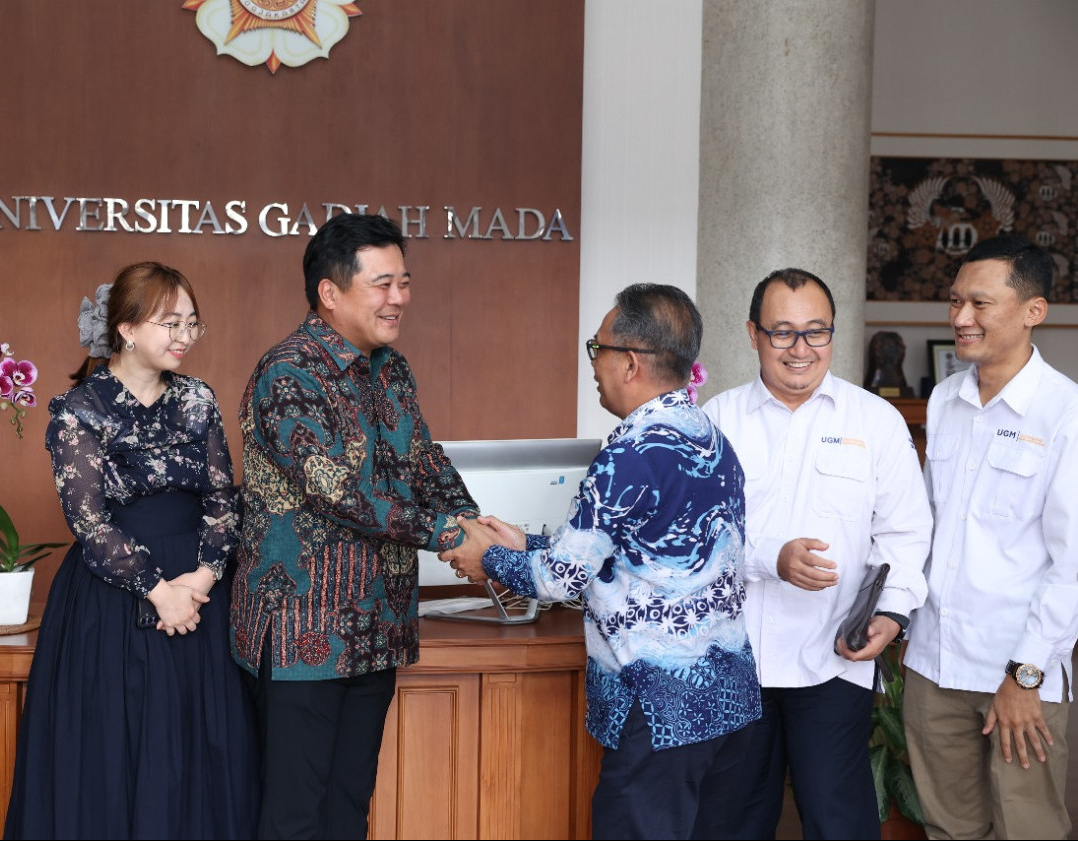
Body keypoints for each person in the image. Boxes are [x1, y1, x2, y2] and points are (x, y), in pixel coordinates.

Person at [441, 283, 761, 840]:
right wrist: (526, 545)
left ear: (631, 362)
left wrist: (487, 557)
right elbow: (635, 556)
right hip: (720, 698)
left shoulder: (630, 454)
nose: (593, 363)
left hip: (658, 704)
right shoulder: (711, 438)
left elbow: (560, 580)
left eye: (598, 348)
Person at [231, 212, 478, 840]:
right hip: (301, 634)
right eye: (382, 284)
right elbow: (342, 493)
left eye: (404, 281)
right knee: (294, 816)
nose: (399, 298)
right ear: (331, 293)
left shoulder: (391, 368)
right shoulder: (289, 374)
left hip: (377, 626)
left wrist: (476, 524)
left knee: (347, 808)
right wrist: (451, 538)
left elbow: (424, 460)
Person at [3, 262, 260, 839]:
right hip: (115, 599)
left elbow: (223, 496)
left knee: (201, 748)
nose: (184, 337)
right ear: (125, 327)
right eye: (170, 323)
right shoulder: (79, 409)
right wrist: (159, 591)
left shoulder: (198, 399)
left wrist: (202, 579)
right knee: (114, 750)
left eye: (192, 324)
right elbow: (89, 521)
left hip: (200, 597)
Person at [701, 268, 931, 839]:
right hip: (735, 659)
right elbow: (693, 534)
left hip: (832, 658)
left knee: (839, 821)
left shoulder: (874, 421)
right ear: (752, 334)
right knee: (730, 821)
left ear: (833, 334)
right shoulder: (715, 421)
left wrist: (892, 612)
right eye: (782, 332)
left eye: (816, 332)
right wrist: (768, 559)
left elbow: (904, 533)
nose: (800, 349)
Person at [902, 236, 1078, 840]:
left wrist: (1025, 676)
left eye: (980, 303)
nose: (960, 318)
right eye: (954, 302)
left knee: (1030, 828)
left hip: (1017, 673)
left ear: (1034, 311)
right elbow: (924, 526)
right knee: (949, 829)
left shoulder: (1064, 414)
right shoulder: (946, 398)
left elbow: (1072, 565)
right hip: (934, 665)